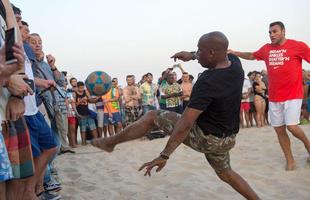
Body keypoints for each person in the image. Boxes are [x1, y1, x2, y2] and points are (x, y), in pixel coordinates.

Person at [92, 31, 260, 200]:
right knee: (225, 173)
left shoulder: (208, 81)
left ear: (211, 53)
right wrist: (192, 56)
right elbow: (225, 51)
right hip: (227, 138)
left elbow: (185, 123)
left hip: (206, 138)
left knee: (152, 116)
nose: (198, 53)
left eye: (200, 50)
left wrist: (164, 155)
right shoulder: (236, 64)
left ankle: (109, 142)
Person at [229, 21, 310, 170]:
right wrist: (235, 53)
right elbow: (252, 55)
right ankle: (290, 160)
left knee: (292, 126)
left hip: (293, 94)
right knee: (279, 129)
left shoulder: (298, 46)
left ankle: (308, 145)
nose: (271, 35)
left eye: (275, 31)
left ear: (283, 31)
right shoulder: (266, 49)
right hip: (274, 97)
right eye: (270, 32)